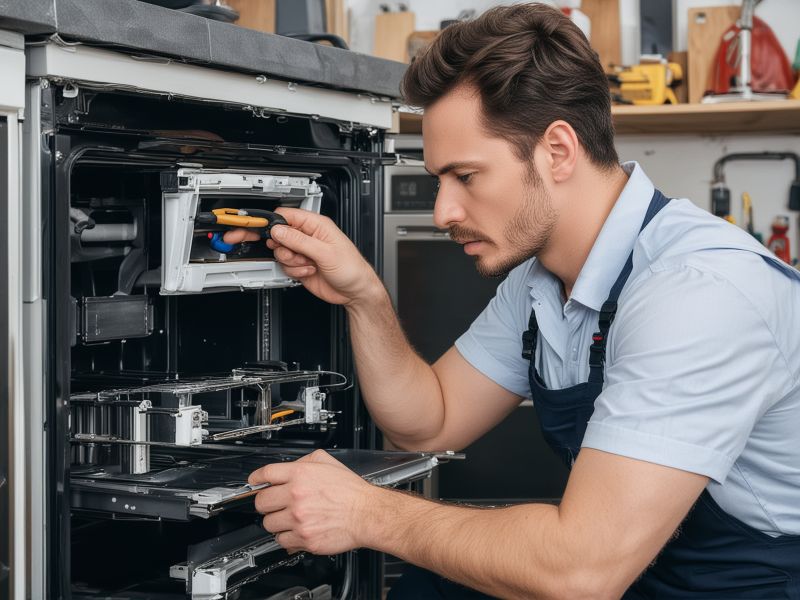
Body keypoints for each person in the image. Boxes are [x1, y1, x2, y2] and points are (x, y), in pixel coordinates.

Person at [225, 4, 800, 598]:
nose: (443, 211)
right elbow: (429, 422)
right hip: (646, 573)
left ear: (556, 151)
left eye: (465, 177)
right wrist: (364, 296)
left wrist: (367, 514)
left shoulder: (695, 295)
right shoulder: (541, 282)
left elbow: (582, 571)